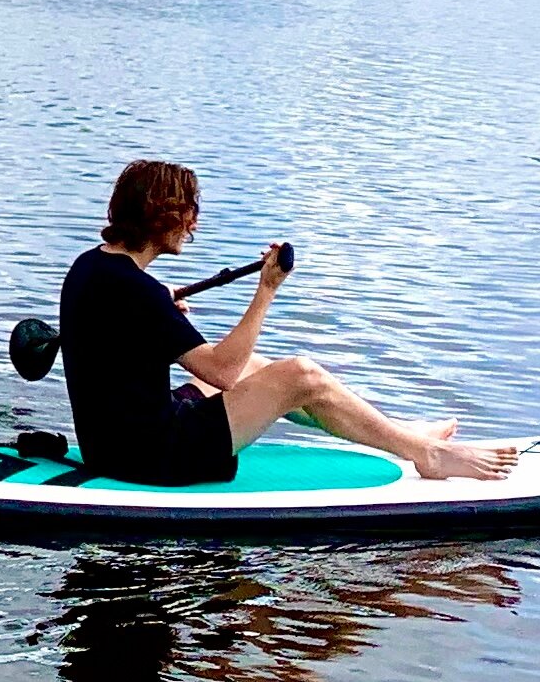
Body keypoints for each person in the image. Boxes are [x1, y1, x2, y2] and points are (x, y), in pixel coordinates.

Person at [56, 157, 513, 485]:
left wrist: (154, 314)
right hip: (155, 457)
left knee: (259, 367)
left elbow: (116, 336)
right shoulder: (139, 293)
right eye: (189, 213)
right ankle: (427, 454)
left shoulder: (91, 268)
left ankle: (401, 432)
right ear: (163, 217)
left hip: (114, 443)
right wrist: (267, 289)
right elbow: (221, 372)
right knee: (299, 376)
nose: (194, 225)